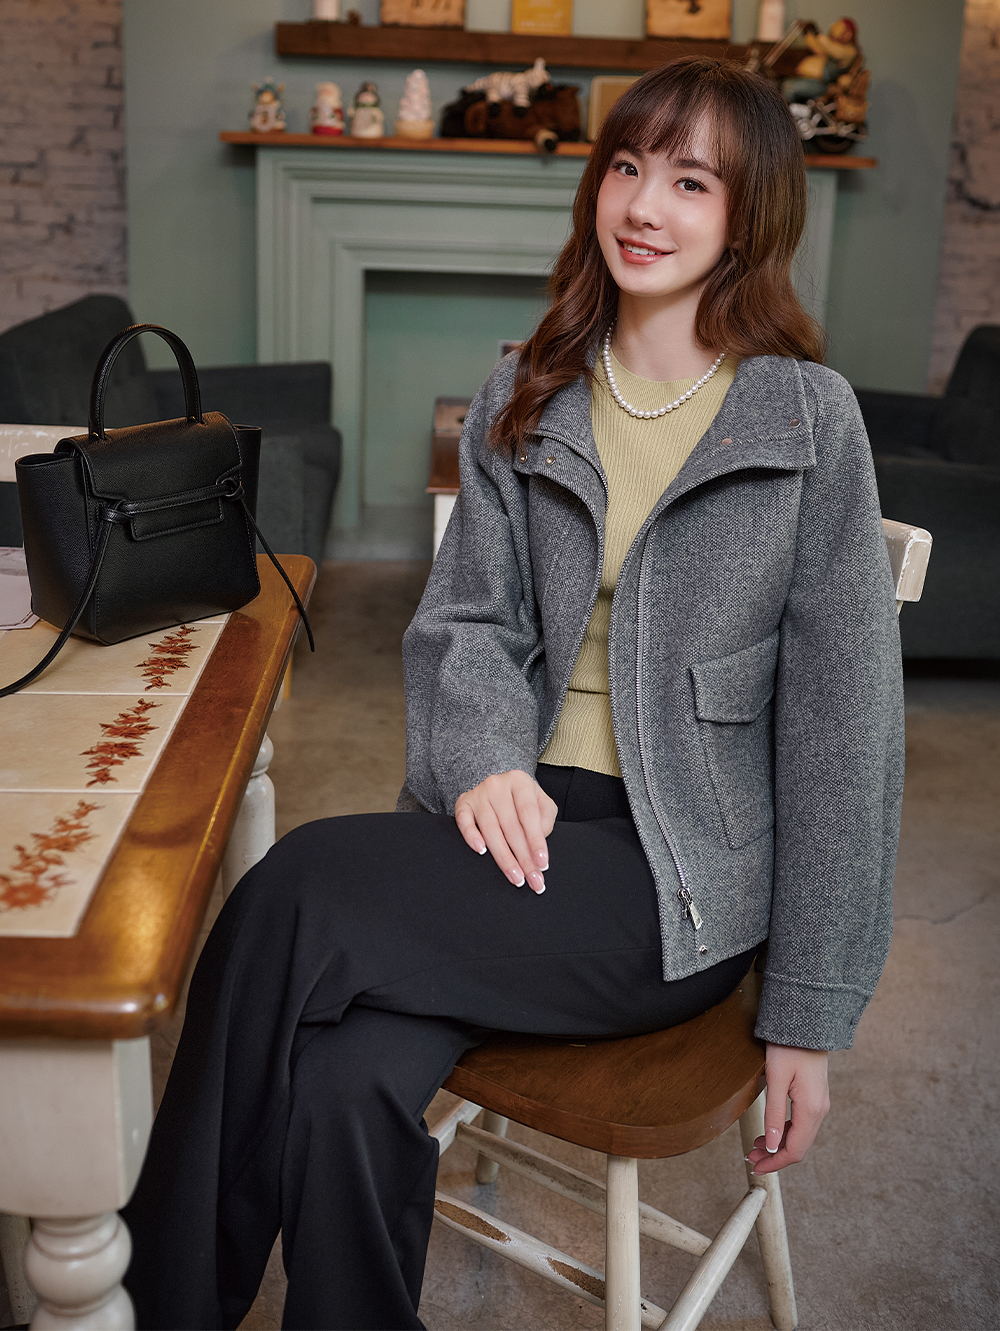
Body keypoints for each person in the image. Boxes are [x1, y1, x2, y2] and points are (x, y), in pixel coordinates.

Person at [123, 56, 904, 1330]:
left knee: (292, 886)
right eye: (626, 166)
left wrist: (808, 1016)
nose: (641, 204)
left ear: (748, 214)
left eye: (689, 182)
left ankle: (154, 1306)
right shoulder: (528, 387)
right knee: (343, 1076)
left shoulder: (806, 421)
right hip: (516, 824)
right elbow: (468, 619)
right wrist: (485, 755)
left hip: (672, 876)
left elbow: (842, 737)